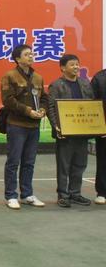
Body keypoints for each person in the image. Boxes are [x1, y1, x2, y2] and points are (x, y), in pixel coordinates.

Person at [1, 44, 49, 209]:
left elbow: (44, 98)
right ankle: (11, 195)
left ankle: (27, 194)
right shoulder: (9, 76)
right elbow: (8, 100)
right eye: (27, 54)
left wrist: (42, 110)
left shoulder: (38, 77)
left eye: (31, 54)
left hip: (33, 126)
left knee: (29, 162)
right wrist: (28, 111)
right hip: (16, 125)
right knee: (13, 161)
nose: (31, 56)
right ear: (17, 58)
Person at [47, 54, 94, 208]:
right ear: (63, 68)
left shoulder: (85, 83)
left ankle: (75, 193)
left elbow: (93, 106)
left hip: (82, 131)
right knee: (64, 165)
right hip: (65, 133)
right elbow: (51, 107)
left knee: (80, 164)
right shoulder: (56, 85)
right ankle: (63, 195)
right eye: (72, 64)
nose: (76, 67)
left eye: (77, 64)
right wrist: (56, 126)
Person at [90, 68, 106, 204]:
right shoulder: (99, 78)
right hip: (103, 128)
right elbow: (92, 103)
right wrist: (99, 126)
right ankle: (102, 192)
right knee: (103, 159)